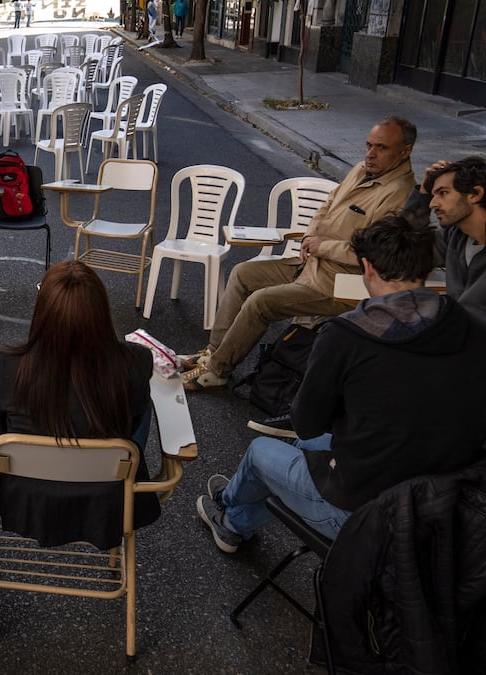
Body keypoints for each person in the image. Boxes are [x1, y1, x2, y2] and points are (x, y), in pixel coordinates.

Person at [197, 215, 486, 553]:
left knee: (263, 451)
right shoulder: (471, 326)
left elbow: (305, 422)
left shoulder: (348, 334)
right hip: (446, 506)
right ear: (426, 268)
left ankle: (230, 519)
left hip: (366, 514)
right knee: (310, 447)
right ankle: (238, 508)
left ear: (368, 268)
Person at [180, 116, 417, 390]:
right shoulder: (360, 169)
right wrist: (310, 235)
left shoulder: (400, 195)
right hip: (310, 264)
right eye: (368, 145)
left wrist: (322, 246)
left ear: (405, 151)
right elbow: (328, 204)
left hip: (337, 282)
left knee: (261, 302)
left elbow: (376, 252)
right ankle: (213, 352)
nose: (370, 154)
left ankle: (217, 372)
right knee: (243, 273)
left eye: (381, 148)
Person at [0, 261, 160, 547]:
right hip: (108, 493)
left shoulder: (0, 363)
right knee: (143, 403)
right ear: (100, 311)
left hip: (20, 492)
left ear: (43, 310)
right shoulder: (136, 362)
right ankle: (126, 469)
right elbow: (133, 420)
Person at [403, 157, 486, 323]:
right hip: (452, 337)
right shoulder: (454, 236)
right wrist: (423, 196)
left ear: (475, 194)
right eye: (433, 196)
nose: (433, 204)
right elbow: (404, 252)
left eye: (443, 193)